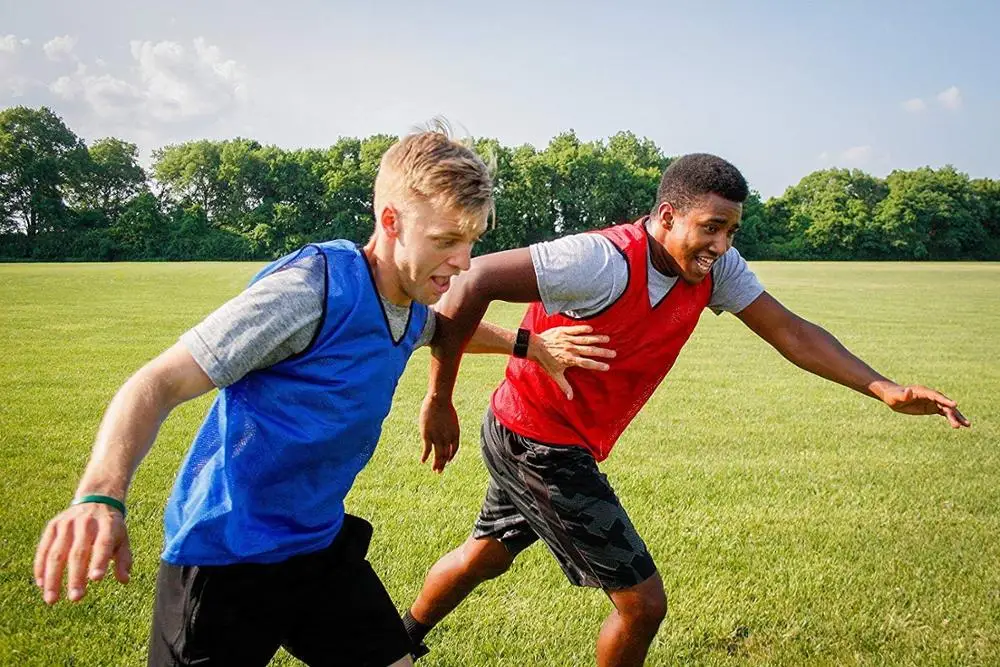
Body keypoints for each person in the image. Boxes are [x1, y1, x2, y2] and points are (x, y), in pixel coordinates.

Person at [32, 124, 613, 667]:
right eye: (446, 240)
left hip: (317, 548)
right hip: (226, 558)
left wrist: (527, 344)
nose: (463, 262)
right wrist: (100, 496)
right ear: (390, 222)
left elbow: (442, 329)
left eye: (471, 241)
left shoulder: (409, 304)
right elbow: (156, 382)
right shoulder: (312, 291)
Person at [403, 153, 971, 666]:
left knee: (485, 556)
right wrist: (439, 398)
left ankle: (398, 641)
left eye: (731, 231)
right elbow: (474, 280)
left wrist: (883, 388)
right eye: (711, 227)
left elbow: (790, 332)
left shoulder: (715, 269)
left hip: (543, 432)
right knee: (642, 605)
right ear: (668, 216)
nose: (721, 245)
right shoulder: (600, 261)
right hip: (538, 441)